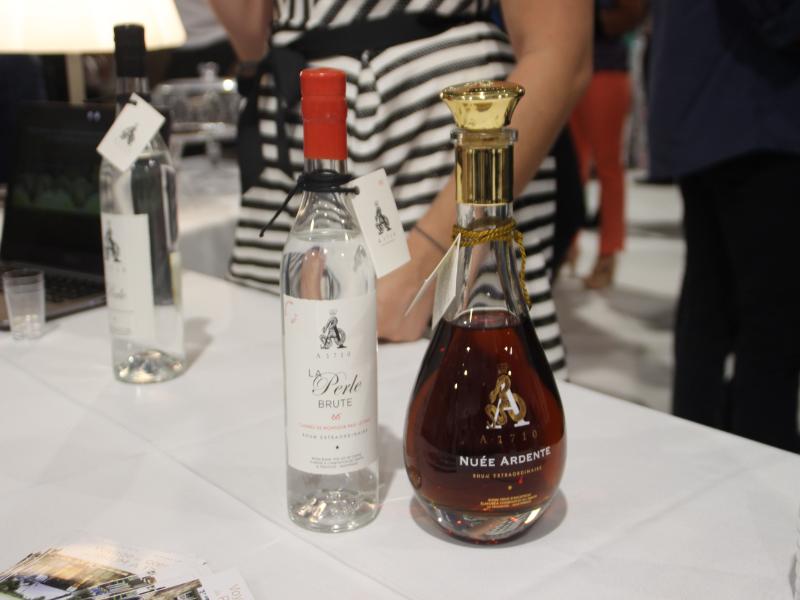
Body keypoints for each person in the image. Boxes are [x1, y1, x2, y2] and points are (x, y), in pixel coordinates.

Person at [209, 0, 592, 377]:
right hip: (293, 144)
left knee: (467, 396)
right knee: (285, 389)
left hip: (438, 167)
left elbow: (560, 50)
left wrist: (430, 265)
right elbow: (251, 35)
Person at [648, 1, 800, 452]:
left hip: (718, 104)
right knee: (768, 319)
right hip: (753, 108)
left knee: (712, 301)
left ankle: (704, 453)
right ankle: (761, 455)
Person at [569, 0, 647, 289]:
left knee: (608, 166)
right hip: (569, 69)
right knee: (572, 165)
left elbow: (631, 14)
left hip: (606, 69)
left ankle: (608, 252)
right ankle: (569, 244)